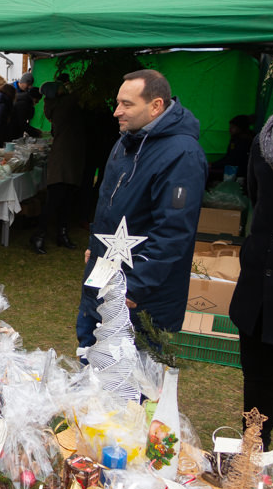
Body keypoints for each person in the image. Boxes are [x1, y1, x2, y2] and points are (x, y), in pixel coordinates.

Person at [76, 69, 207, 355]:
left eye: (127, 104)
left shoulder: (182, 154)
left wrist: (135, 288)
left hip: (139, 298)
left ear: (156, 105)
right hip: (103, 279)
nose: (116, 112)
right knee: (91, 365)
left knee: (130, 386)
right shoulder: (126, 141)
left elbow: (174, 232)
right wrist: (94, 246)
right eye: (118, 102)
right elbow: (110, 206)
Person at [229, 61, 273, 450]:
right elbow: (255, 197)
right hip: (261, 280)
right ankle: (255, 444)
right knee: (259, 373)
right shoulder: (264, 144)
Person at [30, 80, 86, 254]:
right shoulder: (61, 107)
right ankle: (39, 235)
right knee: (55, 199)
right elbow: (77, 94)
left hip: (70, 155)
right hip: (63, 157)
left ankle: (62, 233)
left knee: (67, 198)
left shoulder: (56, 105)